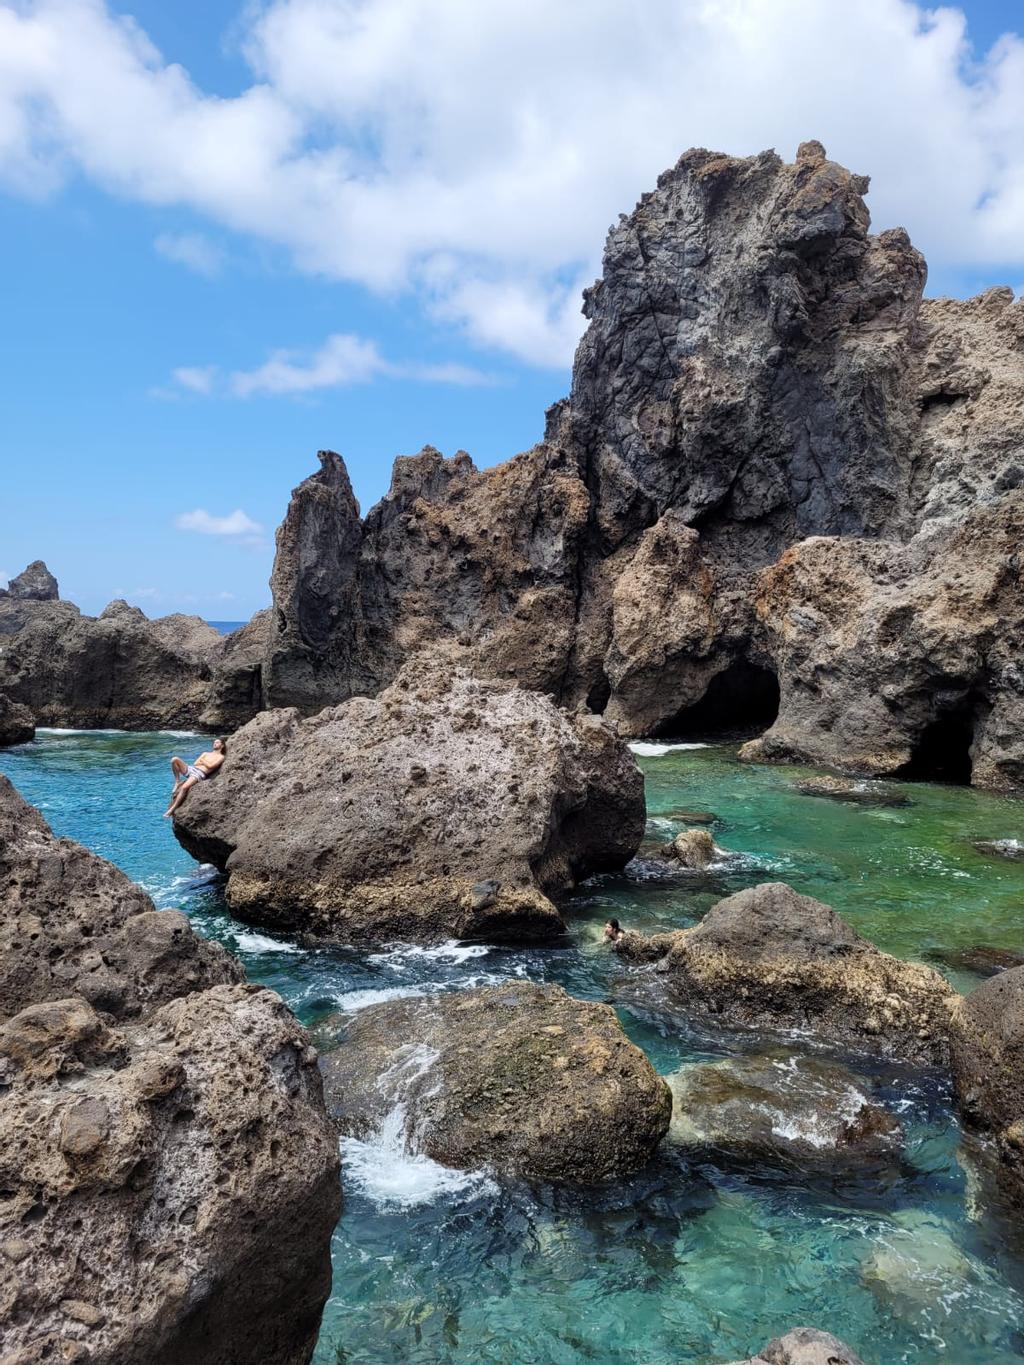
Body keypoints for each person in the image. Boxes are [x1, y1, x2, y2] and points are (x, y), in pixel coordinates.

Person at [164, 738, 227, 818]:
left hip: (199, 774)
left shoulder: (221, 757)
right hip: (192, 769)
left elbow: (212, 766)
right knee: (174, 759)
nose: (214, 744)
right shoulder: (206, 753)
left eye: (217, 742)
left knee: (184, 787)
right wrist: (206, 762)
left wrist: (203, 761)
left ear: (222, 745)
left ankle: (172, 809)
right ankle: (177, 781)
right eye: (214, 742)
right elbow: (196, 763)